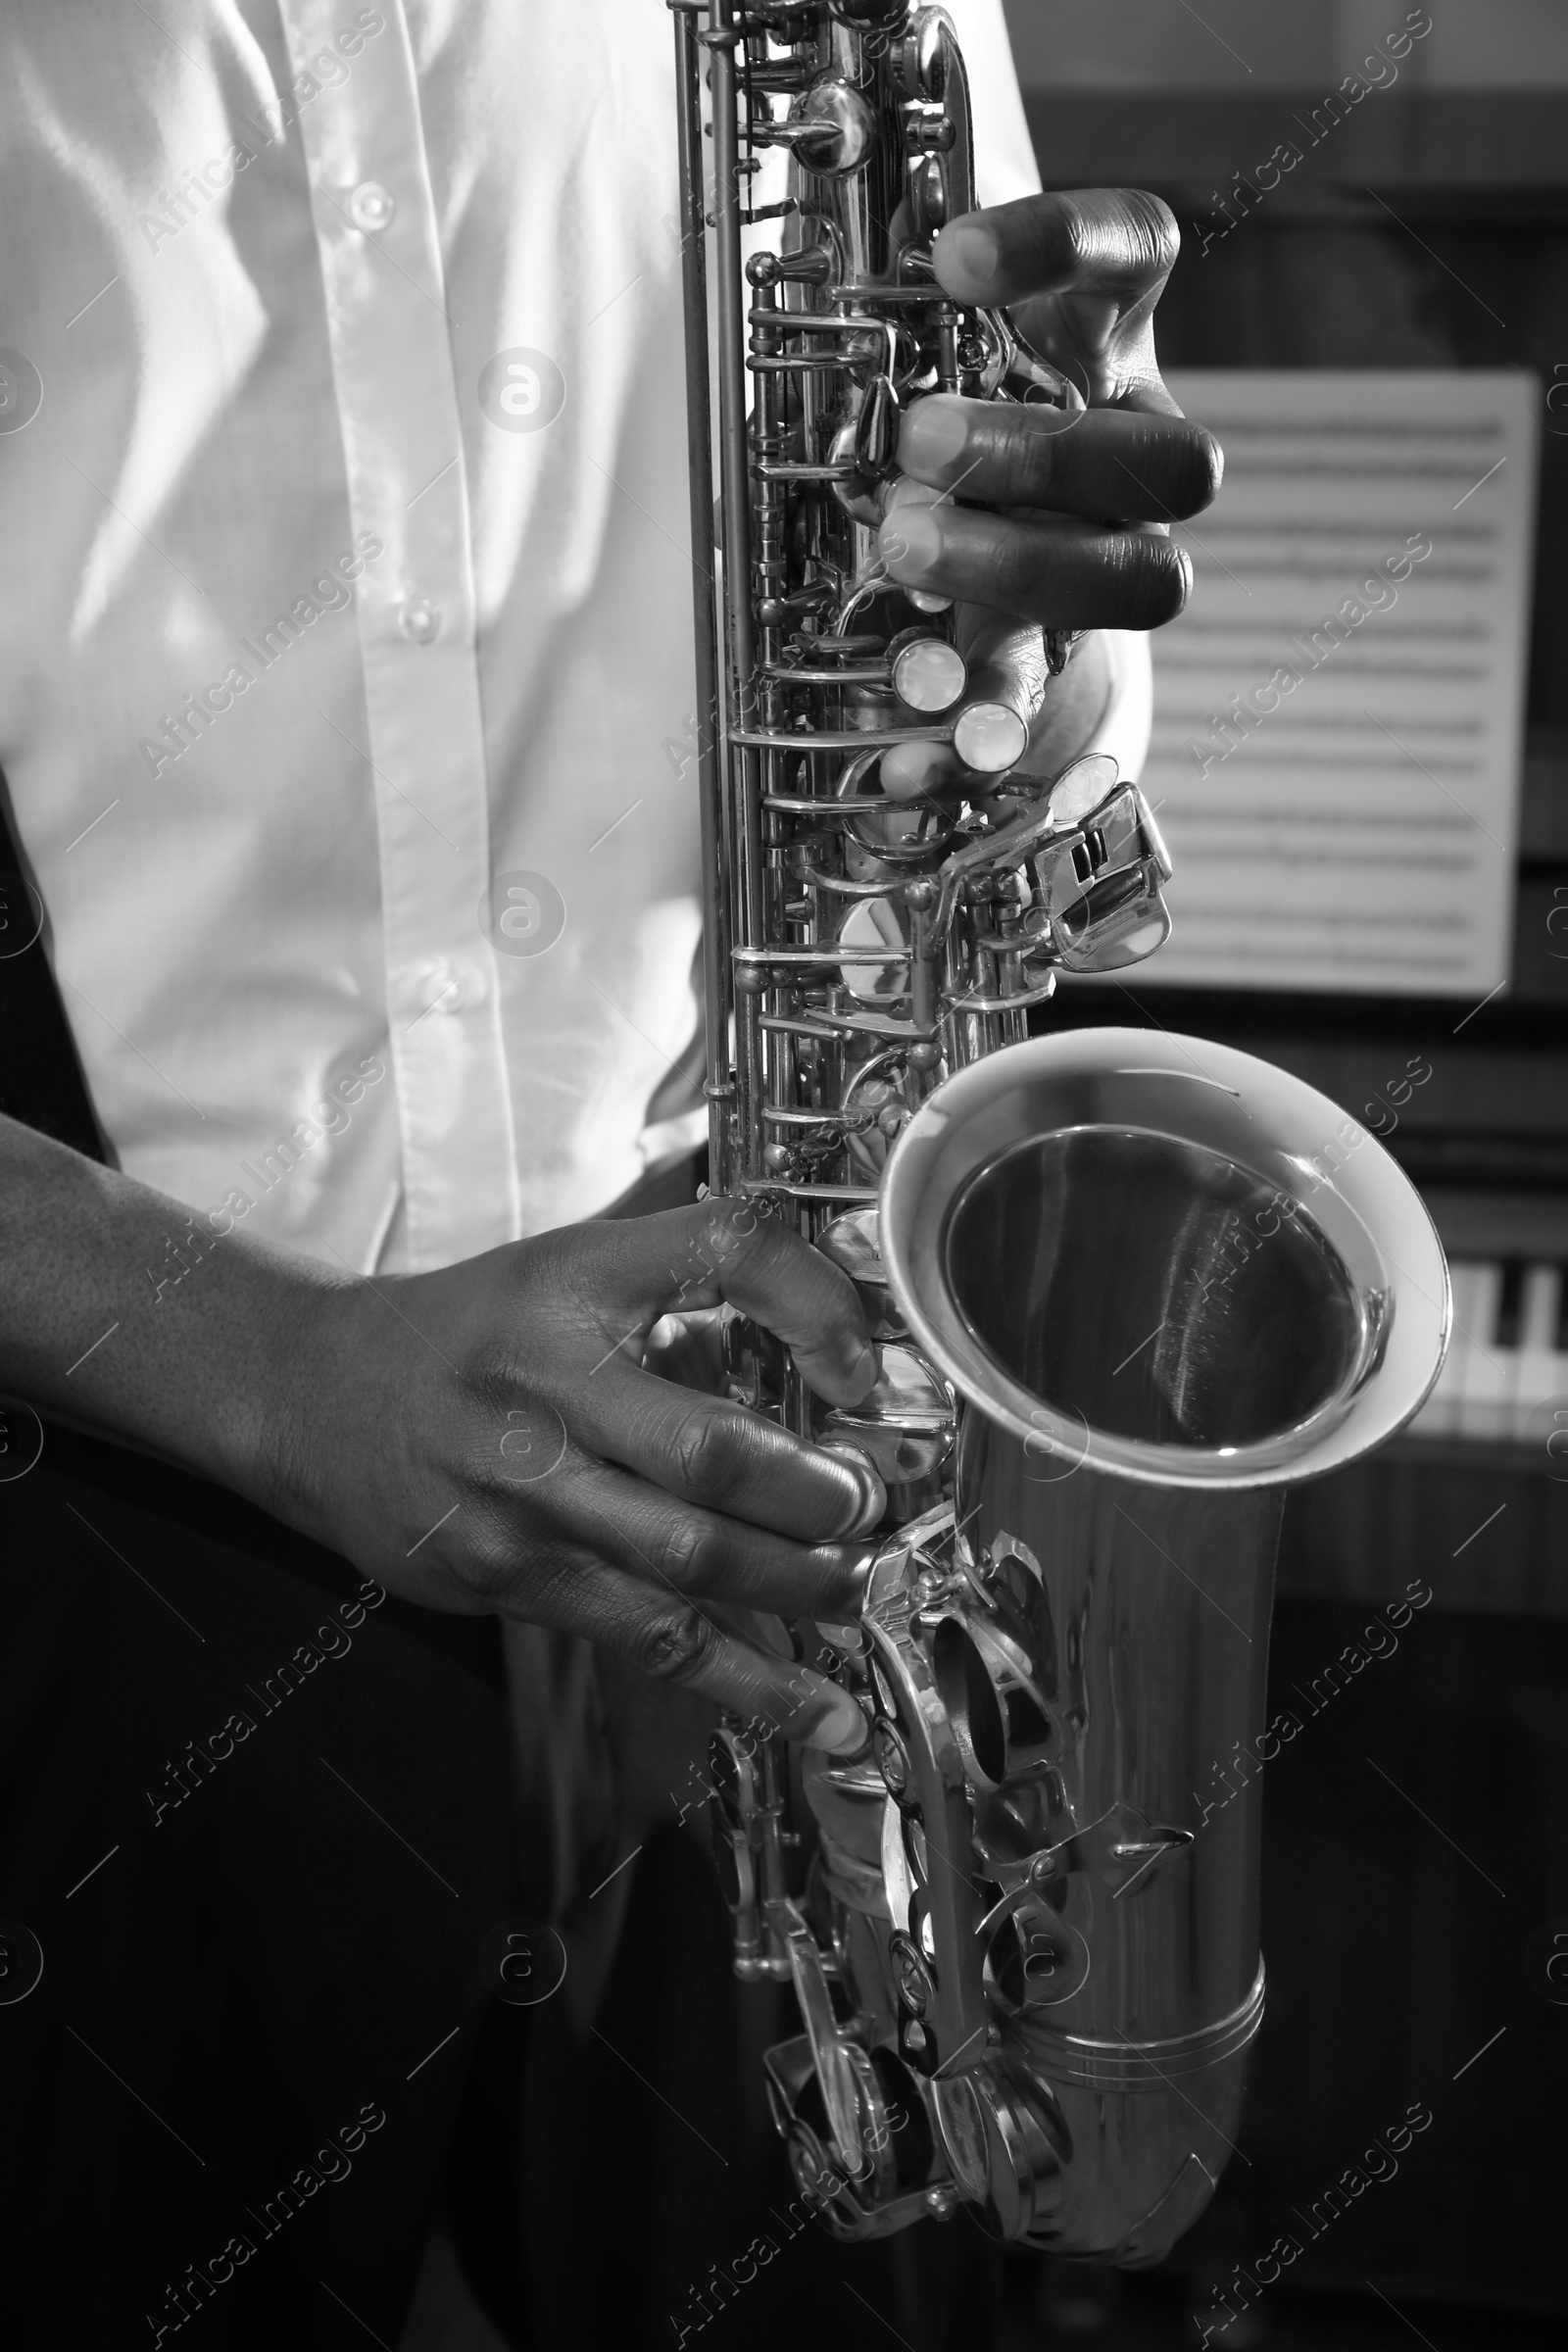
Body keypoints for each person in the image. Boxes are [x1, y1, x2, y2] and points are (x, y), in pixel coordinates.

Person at [0, 2, 1220, 2343]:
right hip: (84, 1530)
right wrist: (256, 1353)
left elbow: (1010, 695)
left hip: (751, 1491)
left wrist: (1021, 666)